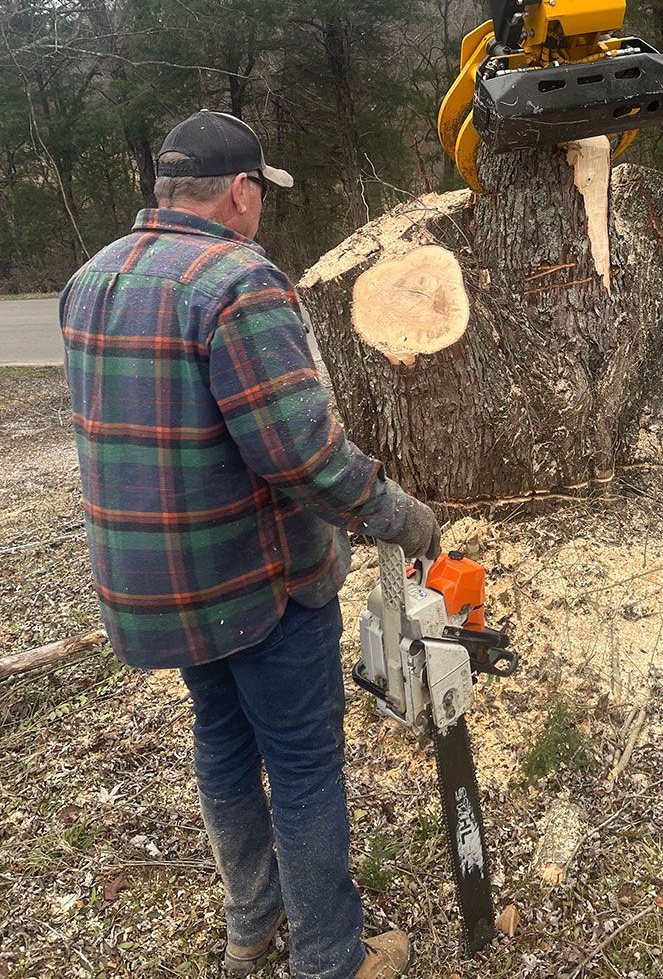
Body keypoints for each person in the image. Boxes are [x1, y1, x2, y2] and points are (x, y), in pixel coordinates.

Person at [60, 110, 438, 979]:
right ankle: (329, 957)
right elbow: (299, 455)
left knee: (221, 737)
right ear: (239, 192)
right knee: (303, 763)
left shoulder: (89, 279)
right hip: (255, 584)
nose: (260, 209)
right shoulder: (237, 282)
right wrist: (394, 512)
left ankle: (250, 924)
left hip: (154, 589)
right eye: (260, 193)